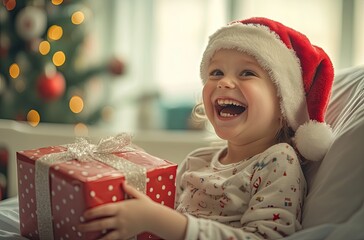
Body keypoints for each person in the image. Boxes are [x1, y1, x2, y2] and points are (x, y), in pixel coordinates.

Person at [78, 17, 334, 240]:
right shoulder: (196, 162)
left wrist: (158, 220)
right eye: (216, 72)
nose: (224, 81)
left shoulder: (278, 161)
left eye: (246, 73)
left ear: (283, 104)